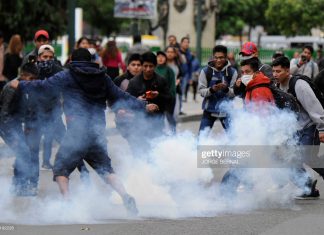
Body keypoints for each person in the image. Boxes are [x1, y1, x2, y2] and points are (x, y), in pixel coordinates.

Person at [11, 48, 159, 215]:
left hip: (77, 132)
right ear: (90, 60)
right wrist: (143, 105)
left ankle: (67, 203)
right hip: (96, 131)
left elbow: (44, 87)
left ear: (73, 59)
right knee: (106, 170)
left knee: (60, 169)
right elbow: (120, 96)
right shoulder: (102, 77)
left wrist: (21, 84)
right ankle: (125, 195)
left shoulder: (67, 75)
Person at [272, 56, 324, 198]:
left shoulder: (299, 85)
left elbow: (314, 107)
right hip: (294, 129)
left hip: (309, 127)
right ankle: (307, 187)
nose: (275, 75)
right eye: (273, 71)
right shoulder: (277, 87)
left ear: (287, 70)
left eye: (278, 71)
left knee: (306, 156)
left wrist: (322, 128)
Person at [0, 59, 39, 196]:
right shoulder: (13, 87)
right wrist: (12, 136)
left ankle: (18, 185)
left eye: (35, 79)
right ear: (23, 75)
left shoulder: (23, 86)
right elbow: (4, 113)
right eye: (31, 78)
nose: (33, 81)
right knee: (23, 152)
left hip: (15, 125)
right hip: (7, 126)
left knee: (23, 153)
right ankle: (19, 186)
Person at [198, 45, 237, 135]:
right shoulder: (205, 71)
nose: (218, 60)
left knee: (233, 138)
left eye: (221, 58)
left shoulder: (233, 72)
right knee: (201, 140)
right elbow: (201, 92)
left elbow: (234, 93)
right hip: (209, 111)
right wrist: (212, 90)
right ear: (213, 57)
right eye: (216, 58)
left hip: (226, 111)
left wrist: (226, 89)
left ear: (226, 57)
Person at [155, 50, 176, 133]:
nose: (160, 58)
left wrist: (171, 96)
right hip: (157, 98)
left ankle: (174, 133)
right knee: (159, 117)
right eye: (158, 57)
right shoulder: (153, 69)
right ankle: (160, 134)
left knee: (169, 116)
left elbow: (172, 85)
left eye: (162, 57)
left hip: (168, 98)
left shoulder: (169, 70)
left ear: (165, 58)